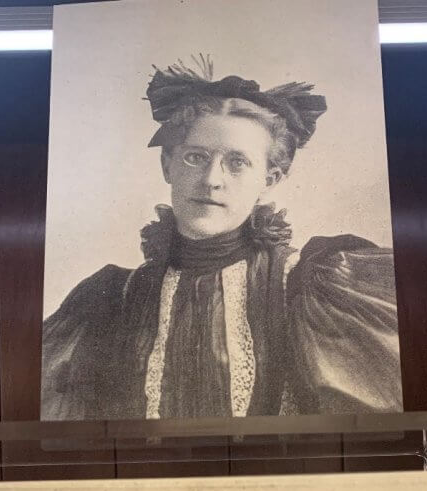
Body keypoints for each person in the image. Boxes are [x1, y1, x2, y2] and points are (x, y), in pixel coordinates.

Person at [42, 58, 401, 421]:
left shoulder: (309, 286)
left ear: (270, 179)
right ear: (168, 165)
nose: (212, 179)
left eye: (238, 162)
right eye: (196, 157)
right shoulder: (110, 300)